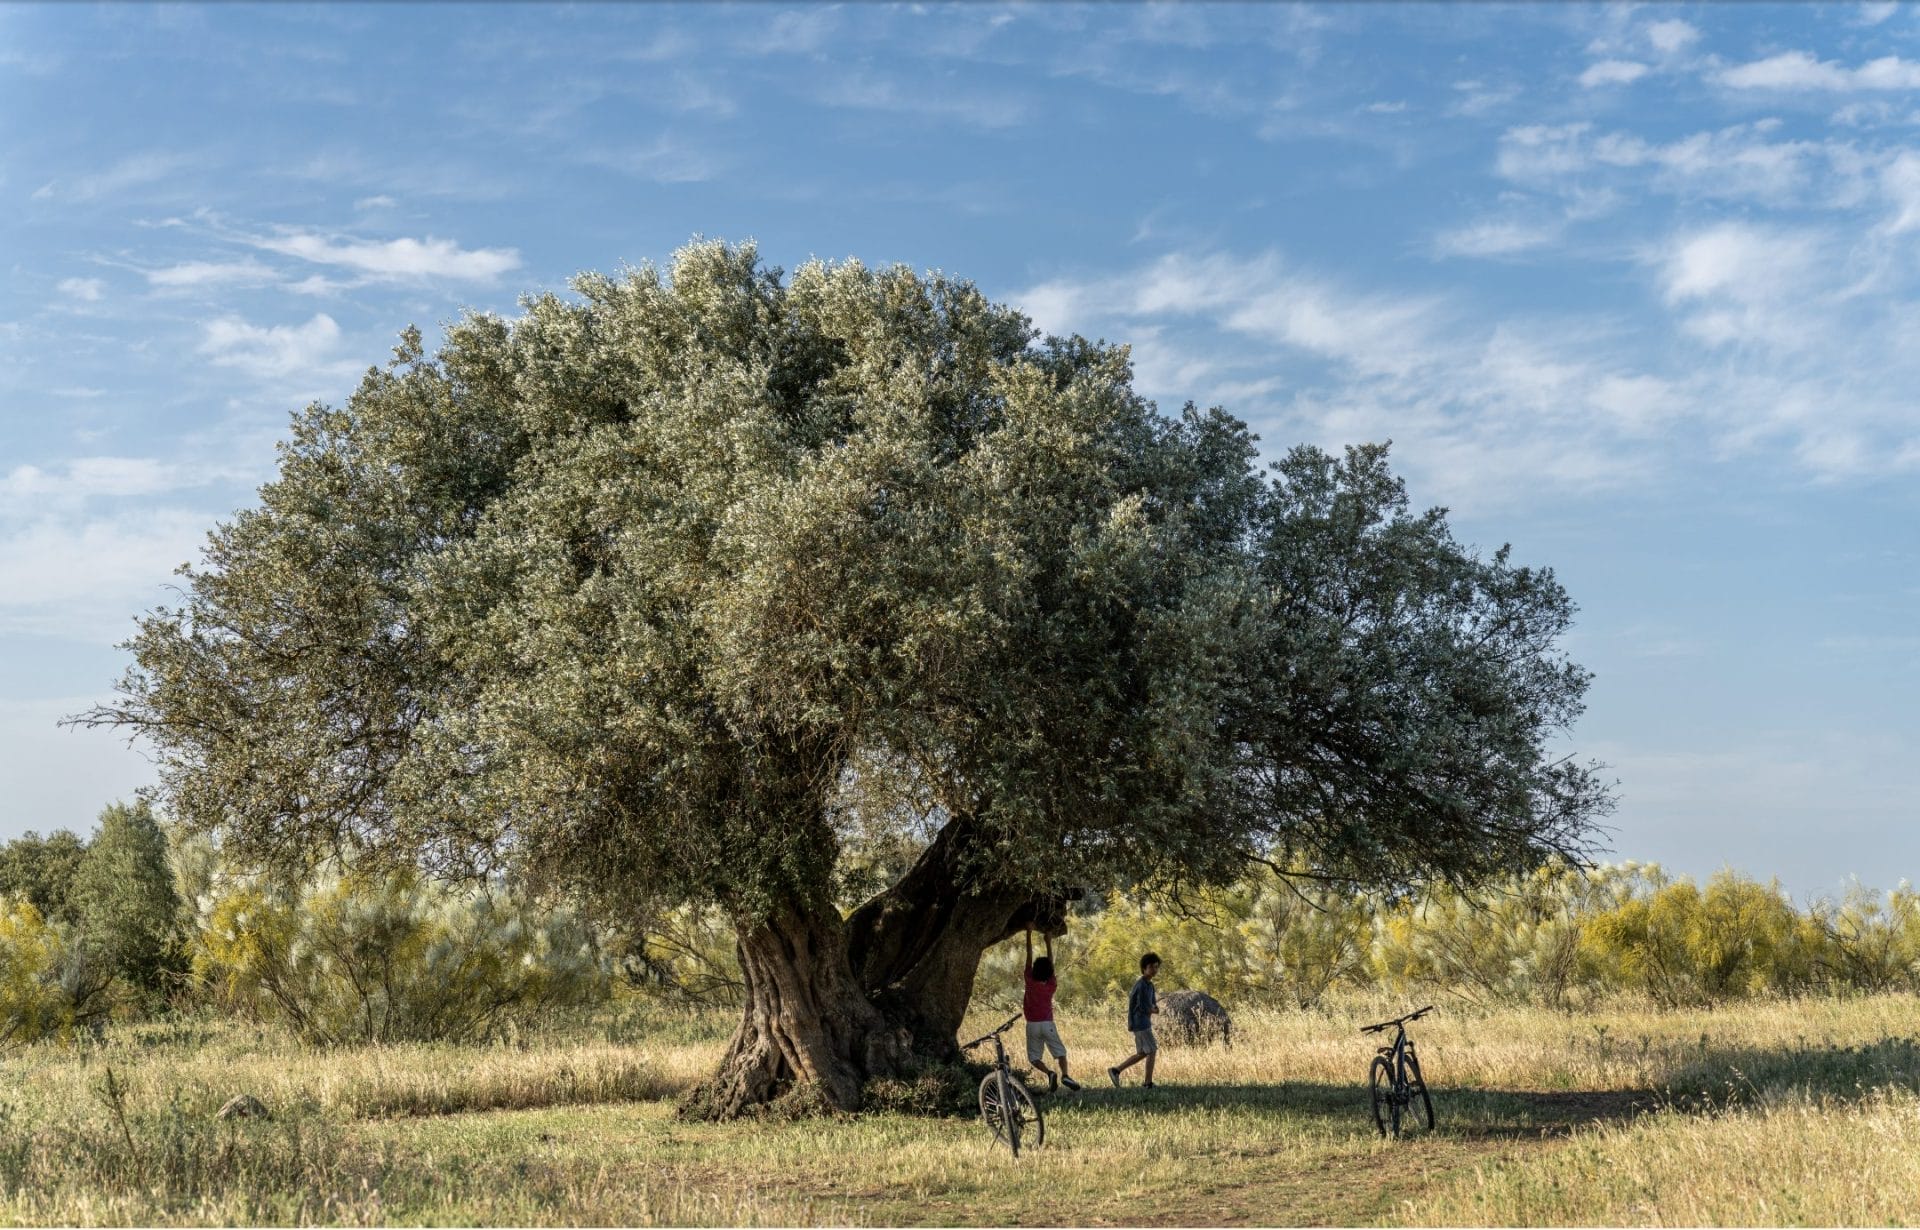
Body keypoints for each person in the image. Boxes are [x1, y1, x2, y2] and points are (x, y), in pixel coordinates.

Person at [1023, 928, 1081, 1092]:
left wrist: (1028, 931)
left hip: (1032, 1025)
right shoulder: (1051, 985)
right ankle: (1065, 1075)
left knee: (1034, 1058)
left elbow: (1028, 955)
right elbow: (1051, 964)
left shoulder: (1029, 981)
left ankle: (1049, 1073)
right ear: (1049, 973)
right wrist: (1048, 941)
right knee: (1060, 1052)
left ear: (1033, 970)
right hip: (1048, 1024)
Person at [1109, 951, 1161, 1089]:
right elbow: (1145, 1007)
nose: (1154, 970)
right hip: (1140, 1022)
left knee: (1143, 1052)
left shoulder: (1150, 985)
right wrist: (1154, 1010)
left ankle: (1116, 1070)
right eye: (1151, 967)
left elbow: (1153, 1004)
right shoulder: (1141, 985)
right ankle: (1147, 1083)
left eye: (1156, 967)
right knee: (1152, 1050)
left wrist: (1153, 1008)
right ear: (1144, 968)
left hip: (1144, 1022)